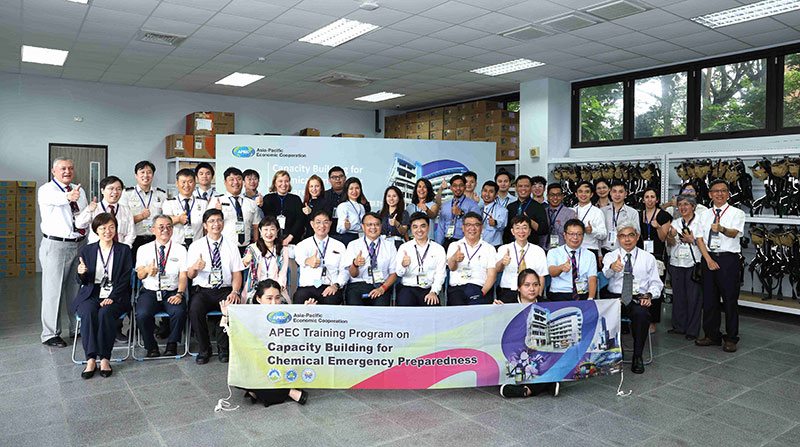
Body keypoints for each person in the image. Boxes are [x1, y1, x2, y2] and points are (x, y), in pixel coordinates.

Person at [221, 279, 309, 407]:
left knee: (261, 381)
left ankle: (258, 391)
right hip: (258, 366)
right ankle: (288, 392)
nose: (274, 303)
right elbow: (226, 338)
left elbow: (301, 338)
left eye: (277, 298)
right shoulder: (249, 316)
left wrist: (307, 314)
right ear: (258, 298)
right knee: (240, 374)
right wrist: (226, 316)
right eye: (269, 298)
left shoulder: (286, 314)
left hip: (281, 364)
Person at [72, 213, 133, 378]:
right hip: (92, 292)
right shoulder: (88, 250)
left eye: (111, 227)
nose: (108, 231)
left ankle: (105, 358)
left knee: (106, 313)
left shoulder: (124, 250)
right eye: (103, 228)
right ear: (96, 230)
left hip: (116, 293)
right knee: (87, 312)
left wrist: (112, 296)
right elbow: (81, 280)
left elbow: (125, 279)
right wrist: (81, 273)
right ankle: (91, 358)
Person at [601, 221, 663, 374]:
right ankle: (609, 356)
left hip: (638, 297)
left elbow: (657, 284)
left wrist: (649, 295)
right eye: (622, 236)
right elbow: (605, 274)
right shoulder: (610, 256)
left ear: (637, 237)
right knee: (605, 314)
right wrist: (611, 268)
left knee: (642, 314)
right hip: (616, 298)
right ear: (617, 238)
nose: (627, 239)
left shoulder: (648, 258)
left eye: (630, 235)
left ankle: (637, 356)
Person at [39, 157, 88, 347]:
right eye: (63, 168)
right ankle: (50, 334)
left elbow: (81, 216)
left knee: (76, 288)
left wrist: (90, 212)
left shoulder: (79, 189)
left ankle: (77, 328)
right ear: (54, 171)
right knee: (53, 290)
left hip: (79, 243)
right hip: (56, 246)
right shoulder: (47, 190)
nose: (67, 171)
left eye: (70, 168)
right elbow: (59, 200)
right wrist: (68, 197)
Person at [187, 209, 245, 364]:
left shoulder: (231, 246)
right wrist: (195, 267)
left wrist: (235, 291)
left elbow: (237, 273)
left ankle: (223, 348)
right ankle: (204, 349)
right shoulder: (195, 246)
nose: (216, 224)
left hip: (224, 290)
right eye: (211, 221)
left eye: (219, 220)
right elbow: (190, 276)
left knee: (231, 306)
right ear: (205, 225)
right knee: (195, 309)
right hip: (203, 291)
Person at [695, 179, 746, 353]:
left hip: (728, 260)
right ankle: (712, 335)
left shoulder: (737, 213)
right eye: (716, 191)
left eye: (723, 191)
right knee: (709, 299)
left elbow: (734, 233)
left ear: (728, 194)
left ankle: (731, 338)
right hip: (709, 258)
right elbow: (699, 239)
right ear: (710, 194)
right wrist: (708, 259)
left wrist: (722, 229)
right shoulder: (704, 214)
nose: (719, 194)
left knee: (730, 300)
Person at [494, 270, 559, 398]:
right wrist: (494, 309)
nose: (532, 289)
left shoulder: (547, 304)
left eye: (535, 285)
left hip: (538, 349)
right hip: (514, 350)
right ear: (518, 288)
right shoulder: (507, 303)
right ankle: (546, 384)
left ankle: (527, 390)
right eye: (527, 285)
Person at [134, 215, 187, 358]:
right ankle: (151, 346)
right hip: (150, 292)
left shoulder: (180, 249)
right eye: (161, 227)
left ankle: (172, 344)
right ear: (153, 230)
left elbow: (183, 275)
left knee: (179, 311)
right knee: (142, 314)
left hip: (172, 292)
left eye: (169, 226)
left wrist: (180, 293)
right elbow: (139, 274)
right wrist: (146, 270)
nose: (166, 230)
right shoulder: (143, 249)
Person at [666, 194, 702, 340]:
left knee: (694, 298)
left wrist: (691, 240)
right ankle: (679, 326)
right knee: (679, 296)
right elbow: (671, 243)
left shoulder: (700, 222)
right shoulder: (675, 222)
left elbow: (705, 243)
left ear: (693, 206)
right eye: (680, 205)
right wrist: (670, 235)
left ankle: (692, 330)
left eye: (686, 204)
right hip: (676, 263)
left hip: (693, 264)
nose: (683, 207)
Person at [294, 209, 347, 305]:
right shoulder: (302, 245)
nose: (322, 226)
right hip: (307, 287)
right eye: (318, 222)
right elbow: (299, 258)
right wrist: (308, 261)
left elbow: (345, 270)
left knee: (332, 301)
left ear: (330, 224)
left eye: (325, 222)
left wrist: (336, 285)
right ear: (312, 224)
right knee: (300, 300)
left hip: (330, 286)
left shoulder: (339, 246)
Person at [344, 212, 398, 306]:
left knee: (380, 311)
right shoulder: (353, 245)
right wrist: (355, 264)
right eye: (369, 225)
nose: (373, 228)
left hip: (381, 285)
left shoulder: (390, 246)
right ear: (363, 227)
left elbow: (394, 274)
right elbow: (353, 274)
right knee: (355, 310)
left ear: (381, 226)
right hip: (358, 285)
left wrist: (382, 289)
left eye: (377, 224)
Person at [638, 187, 671, 333]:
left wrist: (657, 227)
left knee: (655, 287)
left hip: (657, 257)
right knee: (641, 286)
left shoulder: (663, 215)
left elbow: (664, 238)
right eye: (647, 197)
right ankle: (641, 317)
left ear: (657, 200)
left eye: (652, 197)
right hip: (641, 256)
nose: (650, 200)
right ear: (643, 199)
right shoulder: (639, 215)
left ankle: (653, 321)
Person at [395, 212, 446, 306]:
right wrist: (403, 265)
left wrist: (434, 292)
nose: (419, 230)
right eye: (415, 227)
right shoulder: (404, 247)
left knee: (433, 313)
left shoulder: (438, 249)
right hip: (408, 288)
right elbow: (399, 273)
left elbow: (440, 274)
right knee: (405, 310)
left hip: (429, 289)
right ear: (411, 229)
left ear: (428, 227)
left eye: (423, 226)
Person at [446, 212, 497, 305]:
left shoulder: (489, 248)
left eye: (476, 225)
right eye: (468, 225)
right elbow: (452, 268)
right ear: (463, 228)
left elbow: (492, 276)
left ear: (481, 228)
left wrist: (482, 292)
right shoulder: (454, 246)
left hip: (480, 288)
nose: (472, 228)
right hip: (457, 289)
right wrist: (454, 258)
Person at [495, 216, 548, 303]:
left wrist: (538, 296)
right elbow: (497, 269)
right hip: (508, 291)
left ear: (529, 231)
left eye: (524, 228)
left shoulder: (538, 251)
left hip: (531, 294)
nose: (521, 231)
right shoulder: (504, 249)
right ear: (512, 231)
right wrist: (502, 262)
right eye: (517, 228)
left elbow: (541, 276)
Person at [122, 160, 167, 258]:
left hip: (156, 238)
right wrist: (141, 217)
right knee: (136, 270)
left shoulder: (161, 195)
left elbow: (166, 219)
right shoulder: (127, 194)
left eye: (149, 172)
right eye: (142, 172)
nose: (146, 175)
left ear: (153, 175)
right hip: (135, 239)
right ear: (136, 175)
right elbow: (123, 221)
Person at [76, 176, 135, 247]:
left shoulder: (126, 210)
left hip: (120, 251)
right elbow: (79, 225)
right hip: (97, 250)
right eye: (111, 188)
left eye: (118, 189)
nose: (115, 192)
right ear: (102, 190)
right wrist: (88, 210)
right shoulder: (94, 208)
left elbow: (131, 234)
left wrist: (124, 249)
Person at [242, 216, 290, 303]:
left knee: (278, 302)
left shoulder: (283, 250)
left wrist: (277, 289)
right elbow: (242, 266)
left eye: (272, 229)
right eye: (265, 229)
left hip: (276, 289)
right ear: (260, 230)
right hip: (256, 289)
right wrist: (246, 261)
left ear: (277, 231)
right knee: (255, 301)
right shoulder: (252, 248)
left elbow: (283, 273)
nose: (269, 233)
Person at [547, 219, 597, 301]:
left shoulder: (590, 255)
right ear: (565, 235)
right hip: (559, 293)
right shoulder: (554, 252)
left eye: (579, 234)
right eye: (571, 234)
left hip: (582, 294)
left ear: (583, 236)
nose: (575, 237)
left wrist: (590, 298)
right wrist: (561, 268)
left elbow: (592, 278)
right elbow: (552, 272)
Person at [213, 167, 259, 255]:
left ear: (243, 182)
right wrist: (217, 213)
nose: (235, 182)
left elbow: (255, 227)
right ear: (225, 182)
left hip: (246, 248)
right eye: (231, 179)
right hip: (224, 247)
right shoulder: (217, 201)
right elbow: (208, 227)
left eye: (239, 179)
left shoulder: (251, 203)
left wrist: (255, 247)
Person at [162, 168, 208, 248]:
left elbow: (207, 226)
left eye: (190, 182)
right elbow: (165, 222)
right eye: (183, 182)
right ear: (177, 183)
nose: (186, 185)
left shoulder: (203, 203)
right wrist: (178, 219)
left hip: (197, 246)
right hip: (176, 246)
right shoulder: (169, 202)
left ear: (194, 183)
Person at [436, 174, 481, 250]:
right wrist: (438, 246)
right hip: (447, 242)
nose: (458, 188)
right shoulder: (445, 206)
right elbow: (441, 227)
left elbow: (477, 223)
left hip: (465, 243)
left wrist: (461, 213)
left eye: (461, 185)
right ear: (451, 188)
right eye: (455, 186)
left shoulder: (472, 204)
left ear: (465, 187)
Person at [502, 175, 549, 247]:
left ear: (531, 188)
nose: (523, 189)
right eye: (520, 186)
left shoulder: (538, 207)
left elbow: (543, 230)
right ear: (516, 188)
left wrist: (529, 221)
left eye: (526, 186)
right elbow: (506, 230)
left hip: (530, 247)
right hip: (511, 246)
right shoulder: (510, 207)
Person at [261, 170, 305, 247]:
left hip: (292, 241)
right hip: (271, 240)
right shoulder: (268, 198)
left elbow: (300, 220)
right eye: (280, 181)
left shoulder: (296, 199)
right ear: (275, 183)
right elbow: (265, 219)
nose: (283, 184)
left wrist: (290, 237)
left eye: (286, 181)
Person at [601, 181, 640, 253]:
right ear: (610, 193)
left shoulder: (633, 213)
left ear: (625, 193)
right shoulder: (602, 211)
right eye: (614, 191)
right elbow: (599, 234)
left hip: (624, 251)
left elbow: (636, 234)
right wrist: (599, 253)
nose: (617, 195)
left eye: (620, 192)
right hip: (604, 250)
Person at [572, 181, 607, 258]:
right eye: (580, 191)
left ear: (591, 194)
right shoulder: (571, 211)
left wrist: (592, 231)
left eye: (587, 192)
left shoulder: (597, 212)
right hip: (572, 249)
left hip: (590, 249)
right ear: (576, 194)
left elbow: (603, 234)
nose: (583, 195)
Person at [541, 183, 577, 252]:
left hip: (561, 251)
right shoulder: (542, 212)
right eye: (552, 195)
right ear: (547, 196)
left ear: (562, 196)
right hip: (542, 250)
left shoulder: (570, 213)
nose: (555, 198)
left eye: (558, 195)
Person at [335, 177, 371, 246]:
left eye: (357, 188)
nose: (354, 191)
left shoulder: (361, 206)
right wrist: (345, 227)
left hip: (361, 236)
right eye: (351, 189)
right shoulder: (343, 206)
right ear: (347, 190)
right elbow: (339, 229)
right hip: (348, 237)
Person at [478, 180, 507, 248]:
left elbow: (502, 225)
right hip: (479, 244)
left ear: (496, 194)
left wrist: (495, 223)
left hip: (494, 245)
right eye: (485, 191)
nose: (487, 194)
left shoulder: (502, 210)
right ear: (481, 192)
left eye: (491, 192)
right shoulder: (478, 208)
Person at [301, 175, 329, 239]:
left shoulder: (326, 202)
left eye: (317, 186)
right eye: (311, 186)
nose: (314, 189)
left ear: (321, 188)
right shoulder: (305, 203)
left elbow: (325, 218)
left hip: (321, 237)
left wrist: (311, 212)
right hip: (306, 238)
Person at [324, 166, 347, 241]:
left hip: (348, 234)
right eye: (334, 177)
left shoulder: (351, 195)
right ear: (329, 180)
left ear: (345, 178)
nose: (338, 179)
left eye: (340, 176)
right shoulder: (324, 195)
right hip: (329, 235)